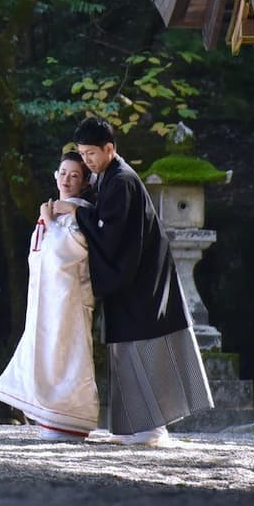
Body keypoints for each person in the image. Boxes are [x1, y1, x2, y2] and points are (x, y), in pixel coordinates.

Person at [56, 116, 213, 445]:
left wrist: (76, 213)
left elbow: (109, 232)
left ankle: (152, 429)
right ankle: (138, 429)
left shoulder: (122, 180)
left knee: (141, 347)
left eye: (90, 155)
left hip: (141, 279)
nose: (86, 161)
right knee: (126, 349)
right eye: (82, 155)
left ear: (109, 149)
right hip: (132, 275)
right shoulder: (107, 177)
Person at [0, 151, 100, 441]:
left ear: (84, 182)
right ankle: (48, 416)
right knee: (46, 349)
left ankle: (70, 417)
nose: (67, 179)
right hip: (48, 297)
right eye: (63, 173)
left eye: (74, 175)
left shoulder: (79, 212)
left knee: (67, 352)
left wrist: (49, 222)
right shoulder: (56, 209)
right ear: (55, 175)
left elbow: (66, 251)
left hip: (69, 297)